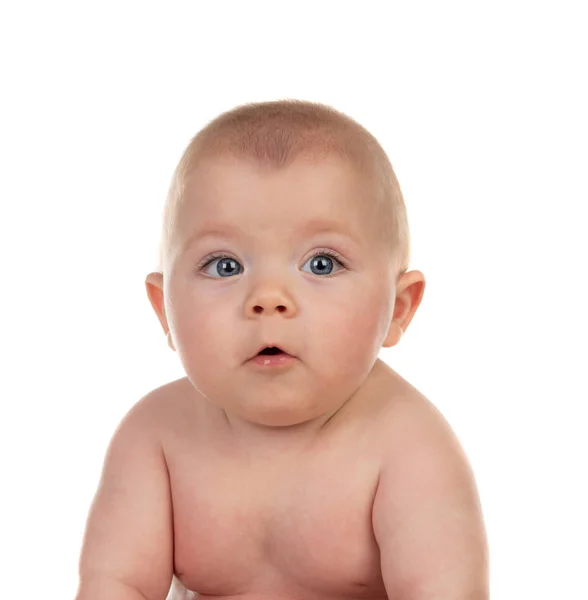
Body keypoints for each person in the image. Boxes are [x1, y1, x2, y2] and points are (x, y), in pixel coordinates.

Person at [75, 100, 489, 600]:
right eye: (224, 266)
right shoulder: (156, 437)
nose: (268, 299)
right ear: (165, 311)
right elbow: (114, 585)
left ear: (399, 308)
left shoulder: (409, 448)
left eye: (321, 264)